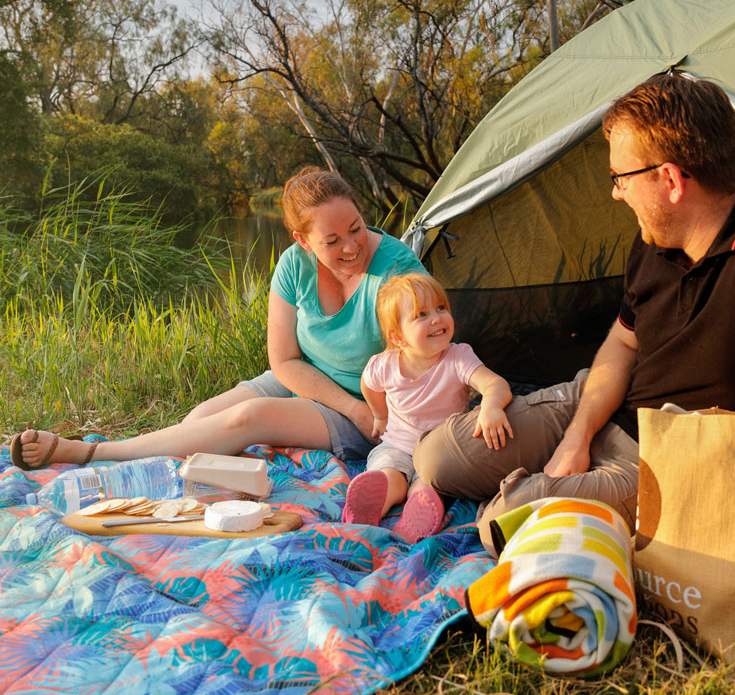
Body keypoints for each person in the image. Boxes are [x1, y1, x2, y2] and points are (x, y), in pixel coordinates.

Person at [413, 73, 735, 553]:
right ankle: (541, 481)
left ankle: (528, 495)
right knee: (438, 457)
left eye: (620, 177)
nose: (616, 193)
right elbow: (624, 343)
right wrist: (575, 438)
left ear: (670, 180)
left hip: (669, 458)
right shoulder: (654, 242)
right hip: (602, 404)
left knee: (505, 524)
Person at [10, 167, 425, 470]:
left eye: (356, 227)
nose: (352, 246)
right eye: (332, 241)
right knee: (198, 423)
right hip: (305, 379)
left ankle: (88, 453)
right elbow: (283, 361)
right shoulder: (293, 264)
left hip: (370, 409)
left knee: (249, 419)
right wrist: (339, 404)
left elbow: (430, 349)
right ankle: (177, 467)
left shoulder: (396, 269)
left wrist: (358, 411)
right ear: (302, 240)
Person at [342, 272, 513, 542]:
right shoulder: (385, 364)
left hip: (439, 450)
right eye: (422, 315)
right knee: (389, 471)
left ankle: (420, 505)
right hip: (397, 443)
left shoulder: (458, 357)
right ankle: (376, 499)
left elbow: (496, 384)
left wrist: (491, 404)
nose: (436, 318)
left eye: (441, 308)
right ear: (397, 337)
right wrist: (379, 414)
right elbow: (369, 384)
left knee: (431, 479)